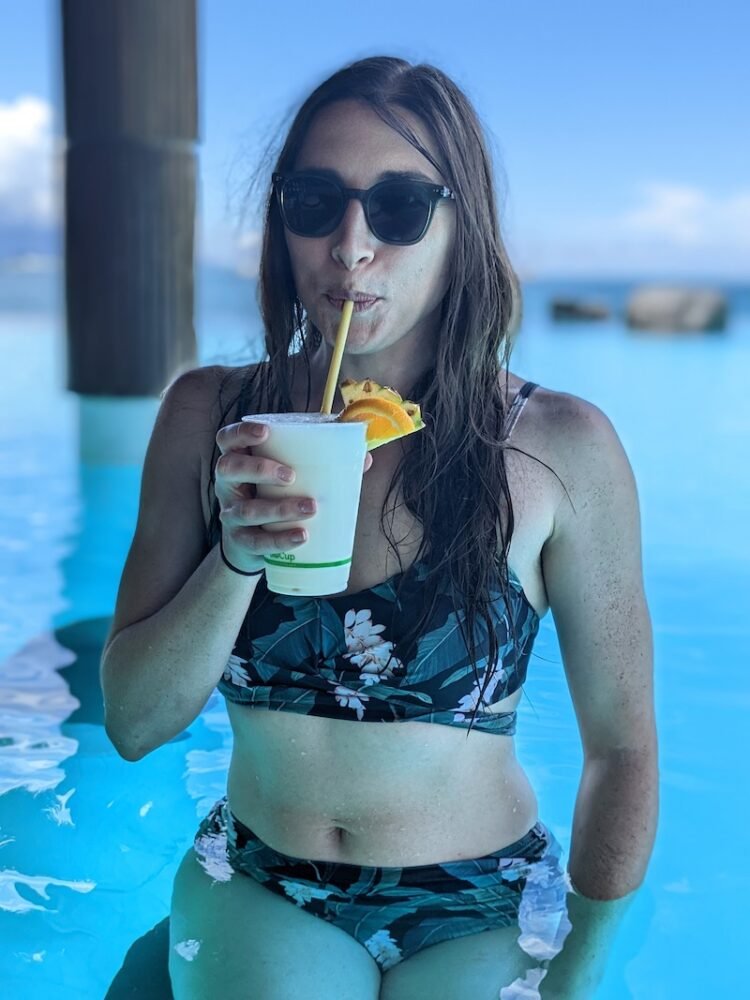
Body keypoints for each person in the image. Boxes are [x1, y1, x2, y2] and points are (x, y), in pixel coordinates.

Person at [101, 56, 658, 999]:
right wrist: (238, 557)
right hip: (265, 882)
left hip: (484, 900)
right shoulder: (210, 418)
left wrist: (582, 970)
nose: (350, 246)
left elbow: (621, 748)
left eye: (399, 207)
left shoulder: (559, 446)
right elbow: (132, 723)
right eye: (314, 201)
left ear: (460, 225)